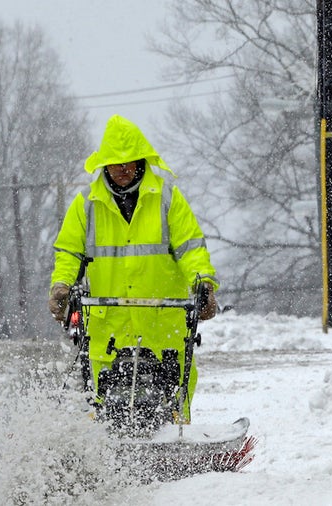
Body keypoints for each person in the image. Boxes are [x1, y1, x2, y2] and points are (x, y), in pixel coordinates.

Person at [48, 115, 218, 422]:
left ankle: (175, 442)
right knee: (103, 402)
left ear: (141, 161)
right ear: (105, 165)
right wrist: (62, 285)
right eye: (115, 164)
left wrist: (203, 282)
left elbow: (191, 249)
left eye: (128, 163)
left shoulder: (167, 199)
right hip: (108, 327)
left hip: (162, 326)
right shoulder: (87, 204)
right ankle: (106, 456)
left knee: (172, 397)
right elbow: (69, 252)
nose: (122, 170)